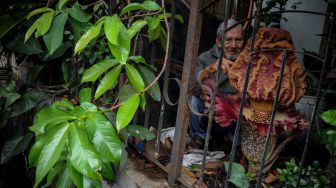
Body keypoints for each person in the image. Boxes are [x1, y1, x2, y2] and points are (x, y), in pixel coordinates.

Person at [188, 19, 244, 149]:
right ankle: (199, 138)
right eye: (228, 40)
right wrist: (209, 69)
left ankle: (233, 146)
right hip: (207, 117)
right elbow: (192, 88)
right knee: (193, 99)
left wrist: (229, 105)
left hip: (232, 118)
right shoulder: (205, 58)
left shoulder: (247, 61)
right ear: (219, 41)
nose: (234, 45)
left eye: (238, 39)